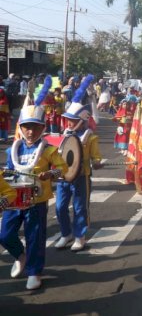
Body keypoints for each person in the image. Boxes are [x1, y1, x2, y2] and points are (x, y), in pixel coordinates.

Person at [0, 76, 68, 290]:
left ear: (42, 128)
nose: (30, 131)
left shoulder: (49, 150)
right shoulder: (14, 149)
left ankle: (34, 271)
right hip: (12, 198)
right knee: (5, 234)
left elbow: (63, 168)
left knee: (35, 236)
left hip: (36, 200)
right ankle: (20, 255)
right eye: (27, 127)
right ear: (21, 127)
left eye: (35, 127)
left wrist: (52, 173)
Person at [55, 74, 103, 252]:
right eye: (69, 120)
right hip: (63, 178)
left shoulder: (90, 137)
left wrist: (97, 163)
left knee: (80, 207)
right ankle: (65, 233)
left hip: (81, 177)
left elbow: (96, 157)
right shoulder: (63, 134)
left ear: (82, 121)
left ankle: (80, 237)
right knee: (60, 207)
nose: (70, 123)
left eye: (73, 121)